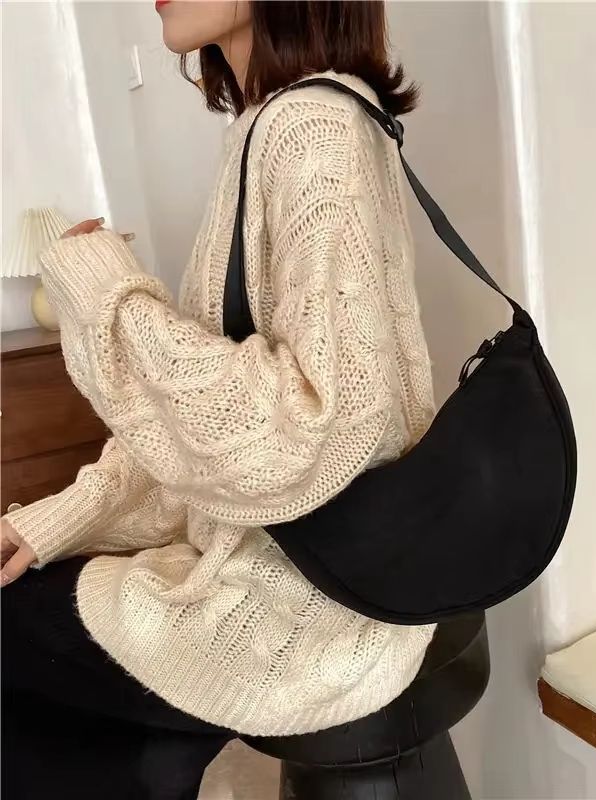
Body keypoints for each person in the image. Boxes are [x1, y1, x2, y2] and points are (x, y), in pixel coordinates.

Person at [1, 2, 437, 797]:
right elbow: (196, 436)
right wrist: (60, 520)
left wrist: (102, 290)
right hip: (292, 563)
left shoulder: (311, 127)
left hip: (316, 600)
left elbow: (315, 433)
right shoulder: (269, 126)